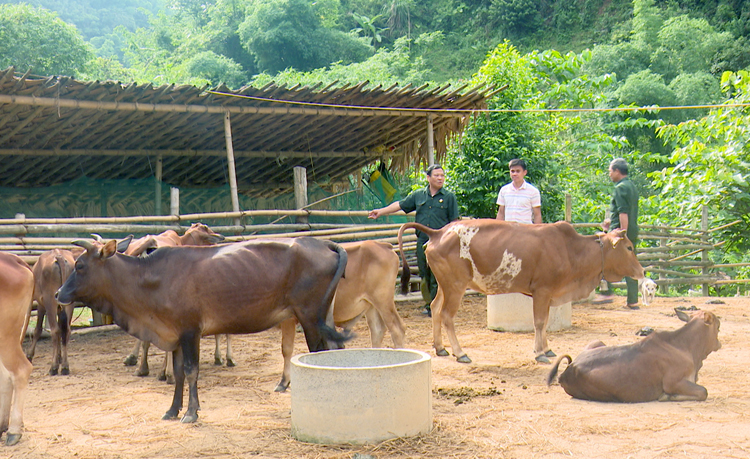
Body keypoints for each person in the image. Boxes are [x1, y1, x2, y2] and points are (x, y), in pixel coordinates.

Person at [368, 164, 459, 316]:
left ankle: (441, 306)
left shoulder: (449, 197)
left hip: (441, 243)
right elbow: (400, 205)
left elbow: (455, 223)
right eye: (436, 175)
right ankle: (430, 306)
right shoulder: (418, 195)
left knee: (439, 275)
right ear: (428, 177)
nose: (440, 178)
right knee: (424, 274)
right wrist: (381, 212)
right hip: (422, 240)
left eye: (442, 175)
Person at [593, 158, 640, 309]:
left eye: (610, 171)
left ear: (617, 171)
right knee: (629, 262)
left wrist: (621, 233)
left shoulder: (620, 188)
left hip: (621, 232)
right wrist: (610, 221)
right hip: (632, 229)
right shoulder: (631, 186)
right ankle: (633, 300)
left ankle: (606, 292)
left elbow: (623, 212)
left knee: (603, 259)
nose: (609, 174)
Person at [496, 158, 542, 224]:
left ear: (524, 172)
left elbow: (537, 215)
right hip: (508, 230)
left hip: (526, 230)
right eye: (512, 171)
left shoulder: (533, 191)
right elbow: (501, 213)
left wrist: (538, 233)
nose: (515, 174)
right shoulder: (504, 190)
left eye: (518, 171)